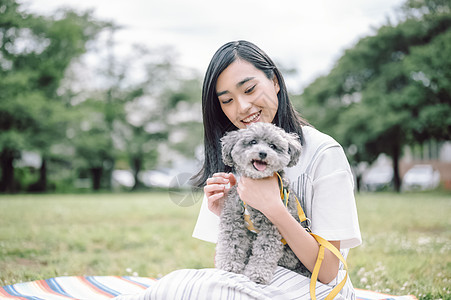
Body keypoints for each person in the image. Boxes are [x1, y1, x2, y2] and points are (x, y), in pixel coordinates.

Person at [114, 40, 361, 300]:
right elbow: (225, 269)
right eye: (227, 100)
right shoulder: (238, 155)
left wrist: (274, 208)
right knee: (174, 286)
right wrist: (223, 214)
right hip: (252, 284)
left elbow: (328, 272)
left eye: (250, 89)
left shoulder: (323, 152)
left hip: (316, 289)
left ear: (275, 82)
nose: (241, 107)